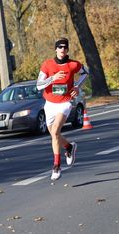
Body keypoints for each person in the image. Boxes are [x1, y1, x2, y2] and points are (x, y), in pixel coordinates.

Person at [36, 37, 89, 181]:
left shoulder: (73, 65)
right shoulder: (47, 65)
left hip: (65, 103)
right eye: (60, 47)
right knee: (54, 135)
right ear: (56, 49)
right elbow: (39, 85)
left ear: (67, 50)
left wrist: (77, 86)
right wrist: (52, 78)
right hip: (50, 104)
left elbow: (86, 72)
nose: (62, 50)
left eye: (65, 47)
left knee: (55, 132)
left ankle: (56, 166)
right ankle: (69, 147)